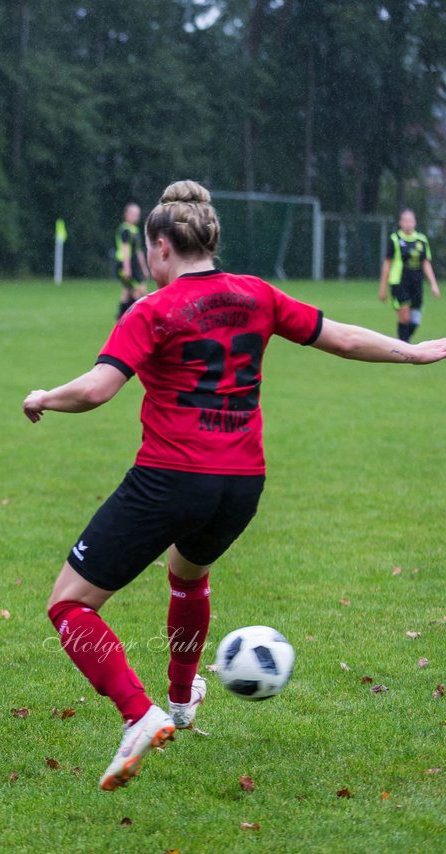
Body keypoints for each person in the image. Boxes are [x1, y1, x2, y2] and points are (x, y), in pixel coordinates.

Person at [22, 180, 446, 791]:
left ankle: (138, 715)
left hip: (171, 477)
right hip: (242, 483)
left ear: (163, 247)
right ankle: (181, 700)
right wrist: (410, 354)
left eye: (150, 251)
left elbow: (95, 390)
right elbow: (345, 338)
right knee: (187, 573)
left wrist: (43, 398)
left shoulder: (153, 309)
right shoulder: (257, 295)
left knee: (69, 603)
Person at [378, 208, 439, 342]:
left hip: (416, 284)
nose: (408, 223)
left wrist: (434, 284)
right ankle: (404, 348)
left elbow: (426, 263)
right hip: (399, 282)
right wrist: (382, 288)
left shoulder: (421, 240)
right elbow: (387, 264)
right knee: (405, 317)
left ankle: (401, 344)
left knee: (415, 320)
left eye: (410, 220)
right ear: (400, 223)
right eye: (405, 221)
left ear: (415, 222)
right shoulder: (395, 239)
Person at [115, 203, 149, 319]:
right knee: (139, 291)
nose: (135, 216)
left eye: (137, 214)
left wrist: (144, 268)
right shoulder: (125, 230)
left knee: (127, 292)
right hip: (124, 265)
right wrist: (127, 268)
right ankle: (130, 317)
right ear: (126, 215)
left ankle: (122, 317)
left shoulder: (135, 231)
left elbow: (138, 252)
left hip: (134, 265)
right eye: (133, 213)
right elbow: (125, 250)